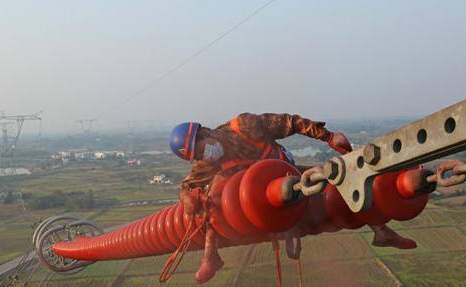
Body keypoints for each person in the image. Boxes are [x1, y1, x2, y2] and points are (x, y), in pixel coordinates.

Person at [169, 113, 416, 284]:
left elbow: (290, 123)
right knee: (210, 199)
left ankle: (381, 230)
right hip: (260, 196)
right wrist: (188, 198)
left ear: (204, 133)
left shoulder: (243, 126)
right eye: (197, 155)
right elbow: (188, 187)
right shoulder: (206, 164)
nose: (204, 155)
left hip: (285, 169)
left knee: (343, 181)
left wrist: (328, 137)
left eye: (201, 148)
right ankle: (211, 257)